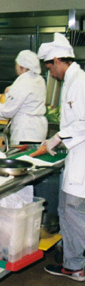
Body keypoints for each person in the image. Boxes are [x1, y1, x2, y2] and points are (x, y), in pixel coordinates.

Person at [37, 33, 85, 282]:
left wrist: (57, 138)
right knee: (66, 212)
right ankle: (72, 262)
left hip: (82, 164)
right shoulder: (72, 79)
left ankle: (77, 266)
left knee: (73, 213)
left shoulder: (79, 81)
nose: (51, 74)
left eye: (50, 69)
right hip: (76, 158)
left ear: (56, 60)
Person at [0, 50, 47, 145]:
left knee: (23, 158)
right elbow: (28, 96)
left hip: (25, 132)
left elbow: (7, 112)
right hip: (39, 130)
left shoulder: (21, 83)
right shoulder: (39, 80)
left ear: (22, 67)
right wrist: (10, 90)